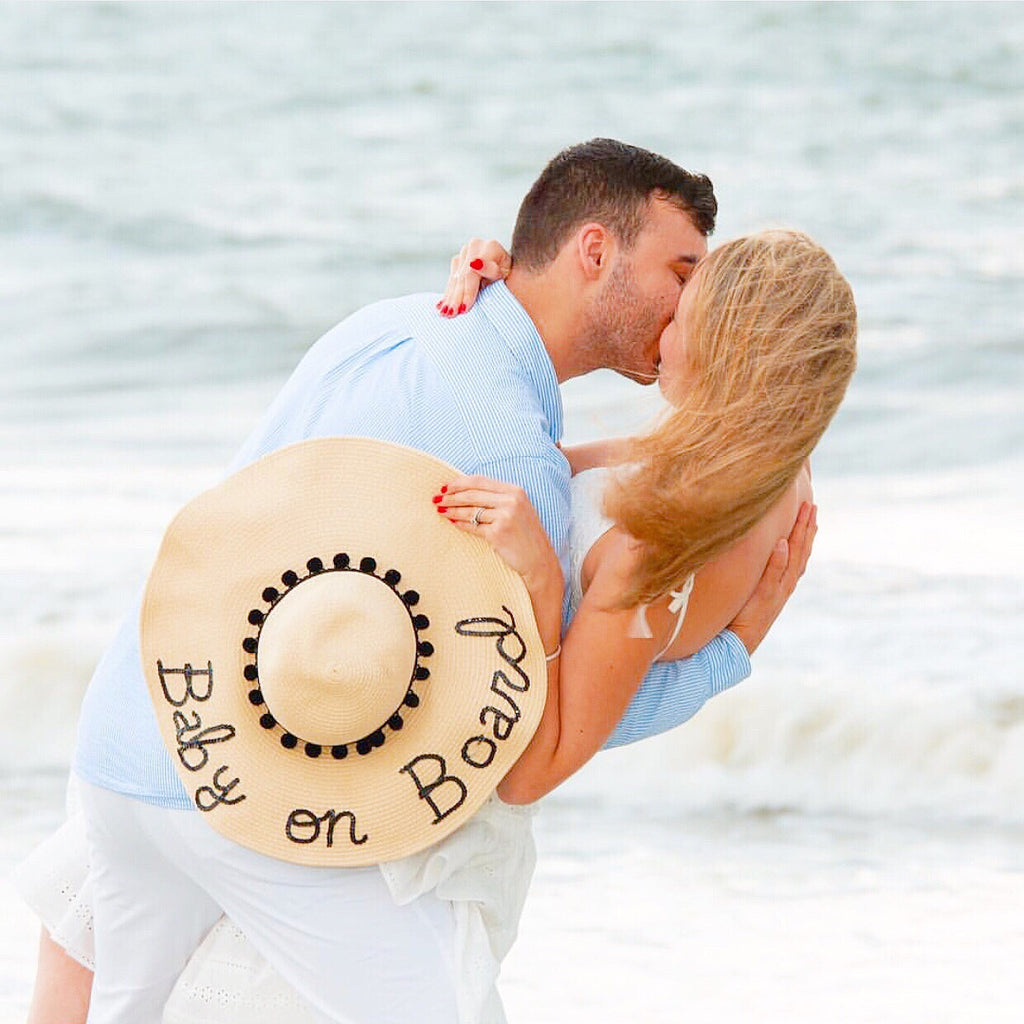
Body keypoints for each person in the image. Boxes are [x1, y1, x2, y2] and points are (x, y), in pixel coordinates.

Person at [16, 141, 848, 1022]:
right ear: (593, 250)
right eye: (683, 273)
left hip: (141, 722)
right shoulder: (515, 452)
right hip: (252, 786)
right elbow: (534, 714)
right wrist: (730, 654)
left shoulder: (401, 321)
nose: (684, 303)